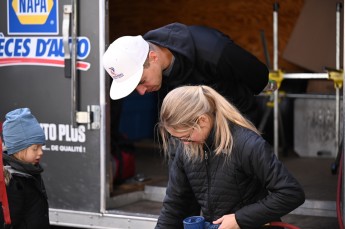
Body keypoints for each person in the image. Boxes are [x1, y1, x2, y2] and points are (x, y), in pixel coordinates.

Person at [155, 85, 305, 229]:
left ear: (203, 120)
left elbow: (291, 193)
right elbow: (175, 204)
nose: (184, 144)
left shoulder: (247, 144)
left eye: (186, 137)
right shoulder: (185, 149)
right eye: (177, 138)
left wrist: (239, 219)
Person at [102, 22, 269, 121]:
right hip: (193, 132)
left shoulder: (213, 50)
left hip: (237, 121)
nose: (142, 91)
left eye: (141, 81)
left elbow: (259, 77)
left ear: (153, 57)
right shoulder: (144, 56)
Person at [0, 108, 50, 228]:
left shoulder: (30, 171)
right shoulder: (12, 182)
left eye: (41, 147)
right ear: (19, 149)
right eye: (35, 148)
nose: (41, 152)